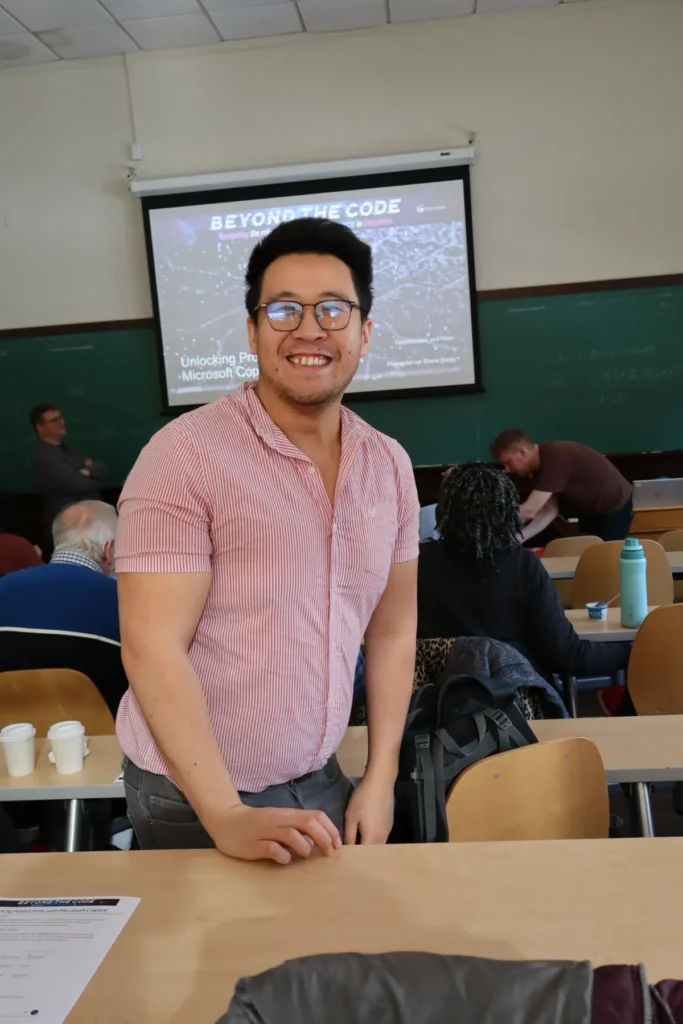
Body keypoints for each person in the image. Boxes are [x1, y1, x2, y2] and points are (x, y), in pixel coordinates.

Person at [116, 217, 420, 863]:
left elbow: (392, 630)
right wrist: (224, 813)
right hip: (192, 795)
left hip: (322, 777)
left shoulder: (388, 463)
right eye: (283, 309)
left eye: (332, 310)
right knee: (209, 964)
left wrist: (381, 773)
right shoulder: (184, 456)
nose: (308, 329)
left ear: (363, 333)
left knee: (324, 957)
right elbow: (151, 648)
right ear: (252, 330)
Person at [417, 463, 630, 682]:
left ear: (441, 510)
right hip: (514, 704)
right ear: (508, 511)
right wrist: (632, 651)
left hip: (430, 703)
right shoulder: (522, 565)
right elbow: (564, 655)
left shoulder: (414, 564)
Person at [0, 500, 125, 715]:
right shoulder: (122, 600)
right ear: (110, 549)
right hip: (104, 738)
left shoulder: (3, 587)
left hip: (10, 735)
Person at [490, 430, 633, 542]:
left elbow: (530, 510)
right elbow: (549, 509)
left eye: (508, 462)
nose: (507, 470)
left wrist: (488, 519)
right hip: (589, 513)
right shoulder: (537, 469)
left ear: (522, 452)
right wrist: (516, 540)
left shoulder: (555, 459)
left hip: (614, 509)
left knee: (604, 563)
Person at [31, 404, 107, 531]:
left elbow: (102, 468)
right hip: (69, 526)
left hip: (89, 520)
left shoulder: (70, 449)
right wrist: (93, 476)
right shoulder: (44, 457)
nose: (61, 422)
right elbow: (77, 484)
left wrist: (87, 471)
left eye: (60, 418)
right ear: (40, 427)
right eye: (53, 420)